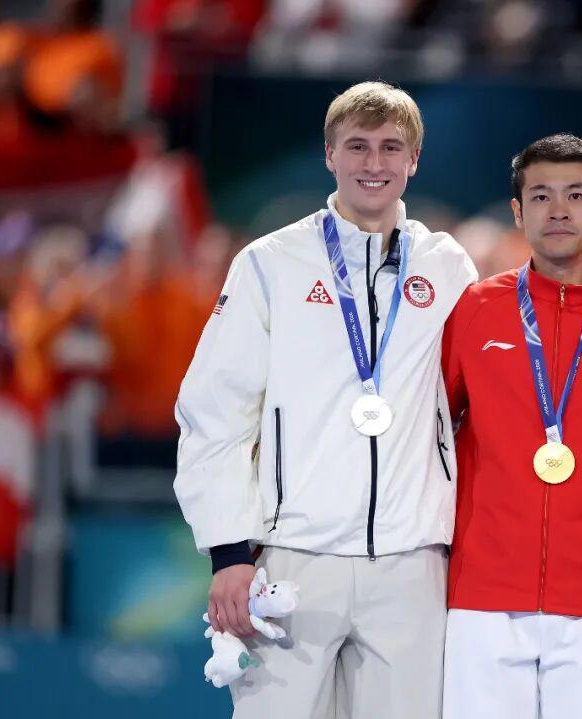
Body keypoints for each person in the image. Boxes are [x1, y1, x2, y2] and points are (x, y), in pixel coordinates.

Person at [173, 80, 477, 718]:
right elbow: (214, 415)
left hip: (413, 562)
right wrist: (228, 553)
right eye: (357, 146)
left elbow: (487, 383)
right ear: (329, 155)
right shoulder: (270, 263)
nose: (374, 163)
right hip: (294, 558)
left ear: (414, 159)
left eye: (390, 147)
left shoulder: (447, 266)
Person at [440, 134, 582, 719]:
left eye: (575, 195)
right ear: (518, 211)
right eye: (540, 196)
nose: (558, 210)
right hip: (483, 593)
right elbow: (431, 432)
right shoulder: (475, 308)